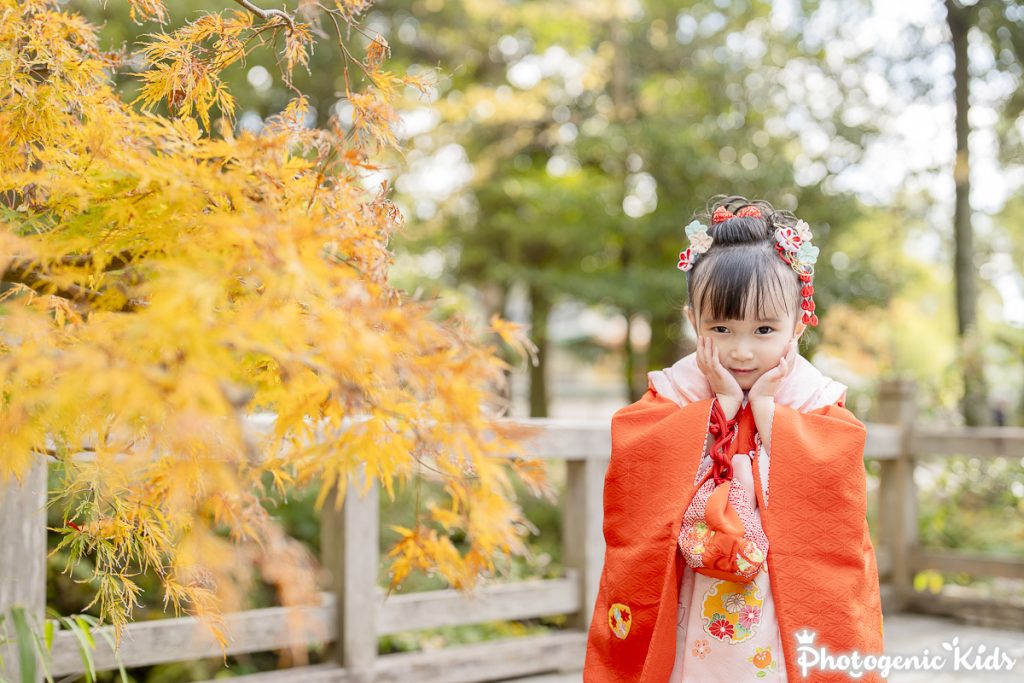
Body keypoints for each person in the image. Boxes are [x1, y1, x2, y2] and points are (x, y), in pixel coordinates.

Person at [583, 195, 887, 682]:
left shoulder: (814, 399)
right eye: (720, 327)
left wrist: (766, 411)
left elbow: (836, 497)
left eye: (765, 329)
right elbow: (638, 472)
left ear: (798, 324)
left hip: (780, 598)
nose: (742, 351)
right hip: (694, 584)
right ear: (693, 319)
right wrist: (720, 407)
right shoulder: (675, 393)